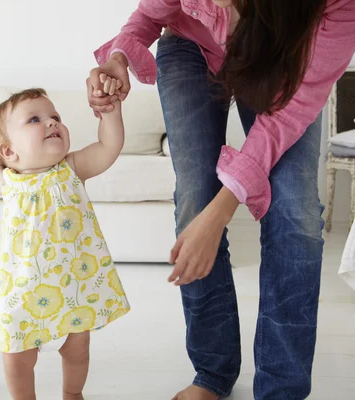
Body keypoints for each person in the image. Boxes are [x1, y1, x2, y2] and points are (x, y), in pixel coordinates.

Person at [86, 0, 355, 399]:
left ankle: (282, 389)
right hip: (188, 49)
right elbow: (149, 14)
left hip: (283, 59)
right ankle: (212, 372)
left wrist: (223, 210)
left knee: (295, 213)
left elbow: (283, 120)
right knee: (195, 200)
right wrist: (120, 57)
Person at [0, 87, 130, 400]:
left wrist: (110, 113)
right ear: (8, 152)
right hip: (22, 286)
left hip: (74, 285)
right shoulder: (7, 181)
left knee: (78, 350)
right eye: (35, 119)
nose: (52, 123)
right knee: (16, 355)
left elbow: (109, 145)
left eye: (55, 117)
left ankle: (73, 393)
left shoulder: (73, 169)